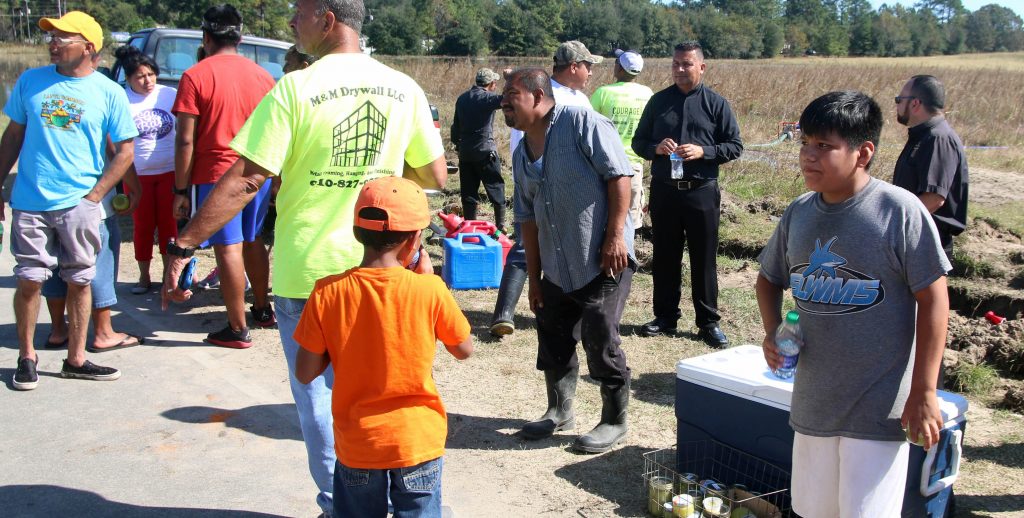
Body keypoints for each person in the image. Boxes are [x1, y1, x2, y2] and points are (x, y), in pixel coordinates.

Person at [162, 0, 447, 513]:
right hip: (380, 269)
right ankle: (403, 501)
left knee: (319, 404)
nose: (292, 23)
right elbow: (434, 176)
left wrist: (185, 242)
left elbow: (248, 178)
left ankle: (339, 504)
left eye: (299, 13)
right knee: (385, 392)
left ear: (326, 20)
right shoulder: (403, 88)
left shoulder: (294, 88)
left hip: (308, 274)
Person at [755, 91, 950, 516]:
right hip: (813, 402)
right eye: (805, 142)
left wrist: (924, 390)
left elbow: (935, 301)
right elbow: (768, 279)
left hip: (878, 409)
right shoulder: (799, 213)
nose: (808, 155)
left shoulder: (899, 212)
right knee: (811, 509)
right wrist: (772, 333)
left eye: (824, 146)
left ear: (863, 152)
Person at [294, 176, 473, 517]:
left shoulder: (327, 292)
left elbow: (305, 372)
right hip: (416, 440)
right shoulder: (429, 290)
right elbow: (464, 349)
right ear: (415, 239)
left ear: (358, 232)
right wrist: (429, 282)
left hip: (359, 444)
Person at [1, 11, 137, 390]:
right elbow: (12, 138)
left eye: (63, 37)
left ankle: (76, 359)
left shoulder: (108, 92)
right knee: (30, 279)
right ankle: (26, 357)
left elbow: (125, 151)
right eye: (51, 37)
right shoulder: (31, 82)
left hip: (80, 204)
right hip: (31, 200)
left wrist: (94, 197)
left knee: (81, 280)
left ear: (88, 47)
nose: (53, 43)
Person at [503, 68, 635, 454]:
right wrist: (535, 276)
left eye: (512, 94)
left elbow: (619, 178)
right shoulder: (521, 152)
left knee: (600, 336)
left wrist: (614, 237)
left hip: (601, 258)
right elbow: (525, 216)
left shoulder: (582, 123)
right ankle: (560, 410)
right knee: (553, 331)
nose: (504, 102)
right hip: (557, 263)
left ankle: (614, 419)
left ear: (539, 95)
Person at [171, 4, 277, 349]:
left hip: (215, 173)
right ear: (240, 37)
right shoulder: (262, 76)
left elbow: (186, 138)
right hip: (257, 172)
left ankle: (236, 328)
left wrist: (180, 189)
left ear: (205, 37)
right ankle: (262, 309)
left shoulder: (195, 76)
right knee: (253, 240)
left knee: (227, 247)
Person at [632, 41, 743, 348]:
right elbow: (638, 142)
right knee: (665, 256)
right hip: (666, 192)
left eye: (687, 64)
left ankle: (708, 322)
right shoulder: (658, 102)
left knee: (703, 258)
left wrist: (704, 151)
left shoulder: (716, 104)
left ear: (701, 67)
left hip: (701, 193)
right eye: (676, 64)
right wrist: (655, 148)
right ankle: (665, 317)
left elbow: (735, 146)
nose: (680, 70)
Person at [491, 40, 602, 337]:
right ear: (574, 67)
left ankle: (503, 312)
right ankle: (570, 307)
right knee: (548, 241)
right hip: (553, 181)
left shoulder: (533, 88)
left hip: (525, 173)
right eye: (588, 66)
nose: (591, 73)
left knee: (524, 242)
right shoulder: (572, 101)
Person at [114, 45, 178, 294]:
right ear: (129, 79)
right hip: (137, 175)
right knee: (143, 226)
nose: (147, 80)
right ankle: (143, 277)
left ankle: (167, 276)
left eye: (151, 74)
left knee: (168, 226)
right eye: (140, 76)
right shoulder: (121, 99)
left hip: (169, 172)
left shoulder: (169, 95)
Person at [893, 75, 969, 264]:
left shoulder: (937, 139)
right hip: (914, 241)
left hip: (925, 245)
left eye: (899, 99)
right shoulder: (923, 136)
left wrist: (893, 230)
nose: (896, 105)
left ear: (915, 104)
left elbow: (933, 198)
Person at [590, 49, 653, 231]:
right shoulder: (647, 93)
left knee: (603, 215)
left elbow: (589, 126)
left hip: (604, 163)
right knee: (631, 219)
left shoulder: (603, 93)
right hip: (634, 164)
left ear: (619, 68)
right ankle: (628, 255)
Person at [451, 68, 505, 229]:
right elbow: (508, 99)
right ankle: (501, 227)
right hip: (485, 152)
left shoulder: (462, 98)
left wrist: (458, 146)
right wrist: (510, 80)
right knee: (496, 189)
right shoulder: (488, 98)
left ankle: (469, 227)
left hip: (466, 153)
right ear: (492, 83)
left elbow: (456, 127)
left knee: (468, 194)